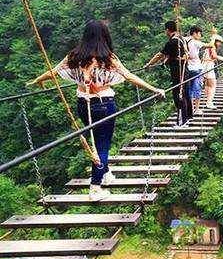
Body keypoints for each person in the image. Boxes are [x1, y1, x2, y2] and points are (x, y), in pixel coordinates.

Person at [28, 20, 164, 200]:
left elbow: (54, 71)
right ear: (104, 36)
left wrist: (39, 80)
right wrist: (154, 89)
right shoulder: (108, 57)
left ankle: (105, 174)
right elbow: (129, 76)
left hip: (83, 105)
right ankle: (95, 187)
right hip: (104, 104)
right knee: (102, 144)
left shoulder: (74, 56)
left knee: (97, 139)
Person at [145, 21, 192, 126]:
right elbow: (173, 54)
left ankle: (182, 121)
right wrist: (166, 61)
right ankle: (188, 117)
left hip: (177, 71)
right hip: (185, 70)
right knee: (185, 93)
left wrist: (148, 64)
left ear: (167, 30)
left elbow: (159, 55)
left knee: (178, 94)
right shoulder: (182, 39)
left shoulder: (172, 42)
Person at [184, 26, 215, 115]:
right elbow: (210, 45)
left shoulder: (185, 40)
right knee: (197, 89)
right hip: (196, 69)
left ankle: (190, 109)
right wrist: (213, 35)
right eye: (199, 34)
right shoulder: (196, 42)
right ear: (194, 33)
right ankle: (196, 109)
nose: (200, 36)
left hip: (187, 69)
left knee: (189, 89)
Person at [202, 31, 223, 109]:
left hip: (204, 66)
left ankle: (207, 100)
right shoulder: (212, 47)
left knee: (207, 85)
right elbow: (214, 56)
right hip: (208, 66)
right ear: (215, 41)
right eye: (219, 42)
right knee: (212, 85)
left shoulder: (209, 46)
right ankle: (209, 102)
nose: (220, 44)